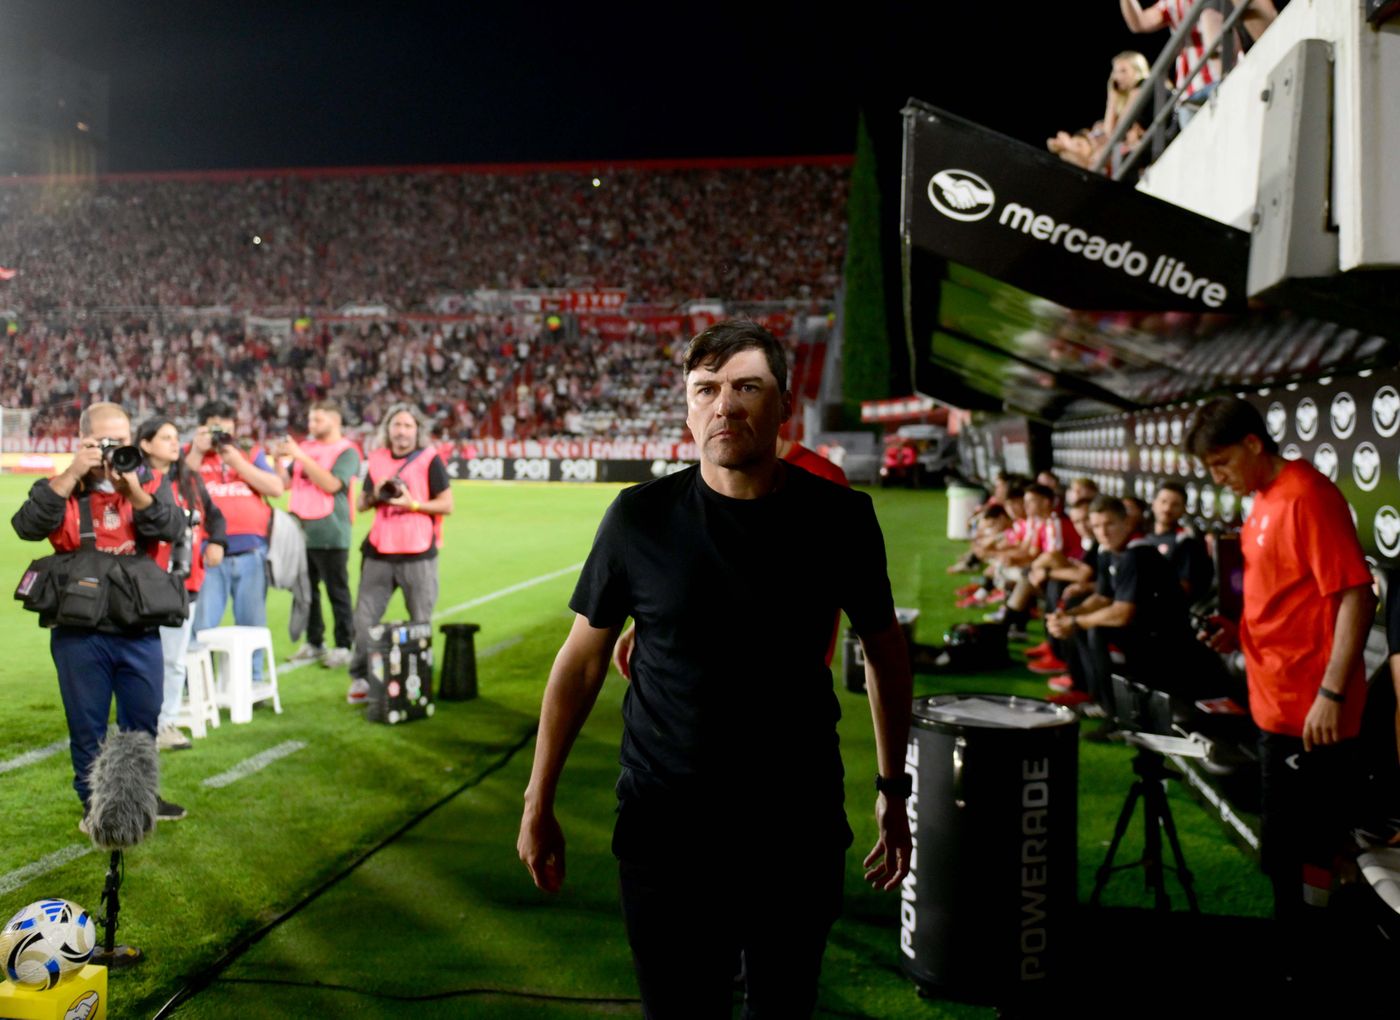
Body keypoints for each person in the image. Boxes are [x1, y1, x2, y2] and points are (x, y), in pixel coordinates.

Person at [517, 320, 912, 1017]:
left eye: (746, 388)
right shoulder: (638, 518)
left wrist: (893, 789)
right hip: (665, 828)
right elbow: (578, 665)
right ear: (687, 408)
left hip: (795, 824)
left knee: (784, 1007)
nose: (724, 406)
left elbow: (884, 653)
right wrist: (537, 801)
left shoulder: (841, 518)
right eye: (706, 390)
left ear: (784, 405)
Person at [1187, 397, 1374, 969]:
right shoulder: (1264, 502)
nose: (1218, 478)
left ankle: (1314, 960)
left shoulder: (1307, 496)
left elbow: (1355, 596)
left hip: (1311, 713)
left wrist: (1332, 693)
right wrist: (1236, 631)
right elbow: (1285, 600)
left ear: (1252, 444)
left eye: (1221, 463)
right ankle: (1299, 950)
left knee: (1307, 850)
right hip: (1274, 704)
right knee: (1286, 852)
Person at [11, 402, 188, 827]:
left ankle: (139, 798)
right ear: (84, 440)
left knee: (142, 717)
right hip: (80, 626)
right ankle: (94, 804)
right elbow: (27, 524)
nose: (113, 449)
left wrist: (133, 488)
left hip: (136, 623)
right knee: (86, 721)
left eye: (121, 441)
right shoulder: (64, 488)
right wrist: (74, 472)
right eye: (103, 441)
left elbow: (171, 527)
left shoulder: (151, 483)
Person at [1046, 495, 1227, 709]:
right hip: (1141, 629)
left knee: (1095, 628)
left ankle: (1110, 710)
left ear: (1126, 523)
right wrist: (1069, 616)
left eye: (1110, 524)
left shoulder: (1138, 554)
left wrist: (1076, 622)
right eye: (1096, 526)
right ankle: (1088, 691)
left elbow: (1123, 613)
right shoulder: (1107, 551)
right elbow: (1102, 598)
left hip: (1167, 638)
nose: (1103, 532)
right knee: (1083, 619)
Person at [346, 403, 454, 704]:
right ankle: (361, 678)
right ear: (388, 429)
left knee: (420, 620)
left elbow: (447, 504)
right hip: (380, 551)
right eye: (397, 425)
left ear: (417, 430)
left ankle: (418, 680)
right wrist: (376, 492)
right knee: (364, 620)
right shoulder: (378, 458)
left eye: (408, 425)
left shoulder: (429, 459)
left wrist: (413, 504)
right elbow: (362, 504)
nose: (402, 431)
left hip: (418, 553)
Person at [138, 416, 227, 751]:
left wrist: (218, 541)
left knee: (173, 659)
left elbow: (215, 515)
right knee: (140, 659)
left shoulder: (189, 479)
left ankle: (165, 723)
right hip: (142, 582)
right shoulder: (136, 479)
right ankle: (137, 723)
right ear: (145, 444)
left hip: (183, 582)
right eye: (165, 438)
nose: (175, 443)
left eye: (176, 437)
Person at [186, 400, 283, 685]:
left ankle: (252, 681)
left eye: (227, 422)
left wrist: (238, 462)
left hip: (251, 550)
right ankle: (199, 685)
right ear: (202, 426)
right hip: (207, 551)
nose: (222, 429)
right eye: (215, 422)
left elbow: (275, 488)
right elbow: (176, 484)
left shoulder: (249, 453)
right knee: (203, 625)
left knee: (252, 624)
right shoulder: (191, 455)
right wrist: (196, 451)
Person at [278, 399, 361, 668]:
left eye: (318, 420)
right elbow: (286, 483)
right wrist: (280, 461)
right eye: (311, 420)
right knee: (305, 592)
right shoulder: (307, 447)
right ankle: (314, 642)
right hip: (300, 530)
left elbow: (332, 484)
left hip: (330, 531)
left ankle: (344, 645)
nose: (312, 425)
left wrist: (300, 457)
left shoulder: (347, 451)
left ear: (335, 421)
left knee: (337, 591)